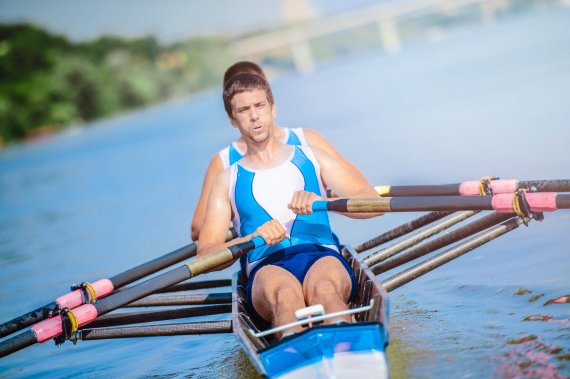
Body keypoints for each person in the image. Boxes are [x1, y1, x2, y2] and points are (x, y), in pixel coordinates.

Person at [197, 73, 381, 338]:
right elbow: (205, 255)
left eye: (260, 106)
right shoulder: (226, 180)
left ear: (273, 108)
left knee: (325, 290)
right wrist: (250, 238)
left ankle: (349, 354)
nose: (254, 116)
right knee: (286, 296)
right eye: (244, 110)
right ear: (232, 119)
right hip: (266, 267)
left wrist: (325, 203)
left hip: (321, 254)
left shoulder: (312, 156)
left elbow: (373, 201)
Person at [190, 61, 367, 241]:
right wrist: (232, 214)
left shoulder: (308, 141)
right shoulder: (223, 162)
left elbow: (362, 190)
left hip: (316, 243)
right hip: (260, 250)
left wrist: (323, 199)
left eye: (258, 102)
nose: (253, 113)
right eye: (244, 107)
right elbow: (197, 229)